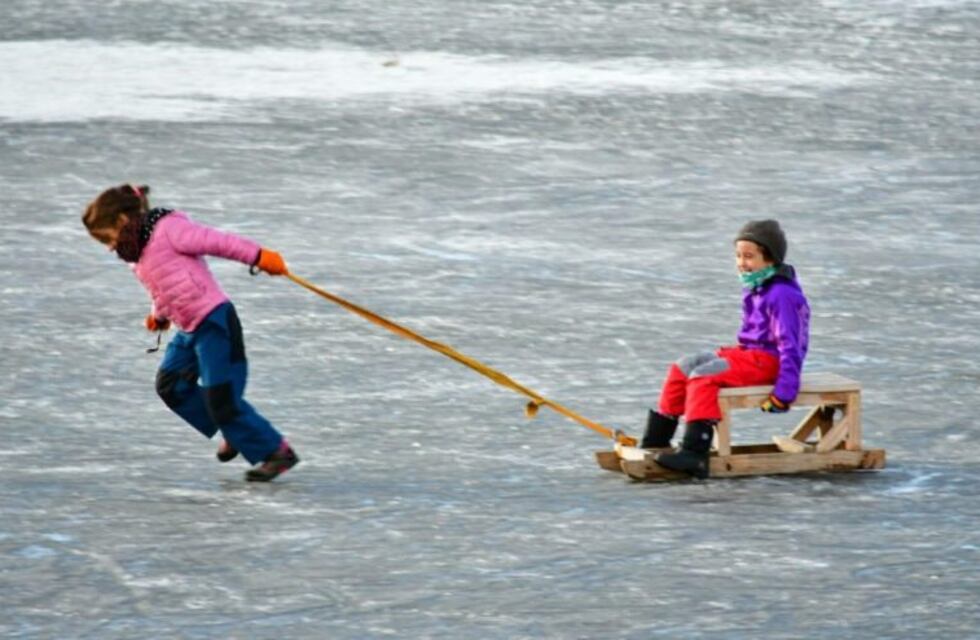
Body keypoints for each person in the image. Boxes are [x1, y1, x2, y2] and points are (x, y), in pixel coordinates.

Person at [82, 184, 300, 482]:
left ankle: (277, 452)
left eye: (107, 238)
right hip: (187, 327)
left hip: (213, 321)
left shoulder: (169, 229)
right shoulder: (136, 253)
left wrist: (259, 256)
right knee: (171, 386)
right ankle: (233, 431)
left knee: (220, 396)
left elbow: (218, 242)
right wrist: (158, 315)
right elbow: (161, 285)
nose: (109, 247)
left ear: (121, 220)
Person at [640, 219, 810, 479]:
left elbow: (791, 345)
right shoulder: (757, 287)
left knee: (704, 377)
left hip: (769, 362)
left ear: (770, 259)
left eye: (749, 256)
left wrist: (784, 392)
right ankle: (656, 441)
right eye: (739, 256)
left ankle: (695, 453)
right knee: (683, 366)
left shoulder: (782, 295)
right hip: (748, 355)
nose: (742, 262)